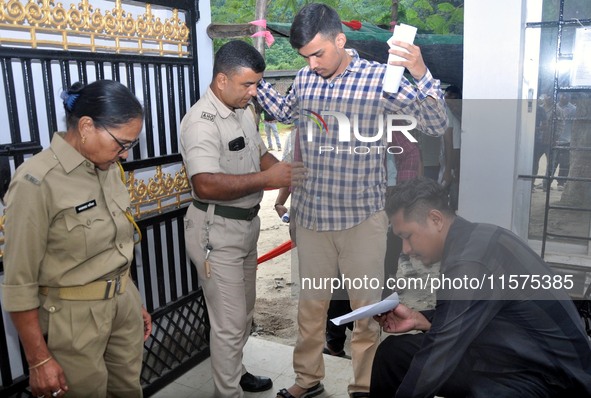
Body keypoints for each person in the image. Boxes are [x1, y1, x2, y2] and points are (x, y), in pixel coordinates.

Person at [257, 4, 447, 398]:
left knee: (366, 312)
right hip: (311, 219)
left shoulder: (381, 80)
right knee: (311, 309)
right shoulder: (306, 79)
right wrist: (250, 79)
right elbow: (282, 111)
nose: (312, 62)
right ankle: (307, 380)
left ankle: (364, 387)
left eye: (318, 53)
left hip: (362, 220)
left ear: (340, 40)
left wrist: (420, 71)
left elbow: (435, 123)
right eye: (305, 56)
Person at [370, 177, 591, 397]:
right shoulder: (474, 238)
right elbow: (466, 315)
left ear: (435, 220)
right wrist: (422, 319)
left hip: (553, 378)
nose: (405, 249)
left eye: (407, 236)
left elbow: (438, 354)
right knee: (394, 354)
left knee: (471, 385)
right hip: (510, 355)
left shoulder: (471, 262)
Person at [1, 80, 152, 398]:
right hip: (73, 319)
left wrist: (131, 299)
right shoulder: (36, 182)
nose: (124, 154)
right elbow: (19, 283)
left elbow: (117, 242)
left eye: (130, 145)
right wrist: (39, 359)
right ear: (86, 127)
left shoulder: (107, 167)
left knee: (128, 391)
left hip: (122, 306)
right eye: (121, 143)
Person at [180, 40, 300, 398]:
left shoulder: (243, 111)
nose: (255, 91)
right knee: (229, 324)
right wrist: (268, 181)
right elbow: (204, 183)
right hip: (216, 232)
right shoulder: (201, 123)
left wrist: (288, 174)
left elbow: (261, 155)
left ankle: (236, 370)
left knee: (244, 313)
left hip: (246, 227)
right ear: (221, 80)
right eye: (248, 84)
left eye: (257, 84)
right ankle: (227, 392)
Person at [439, 85, 462, 210]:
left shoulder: (447, 112)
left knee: (443, 196)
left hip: (452, 164)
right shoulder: (452, 113)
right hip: (450, 162)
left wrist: (449, 170)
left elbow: (451, 144)